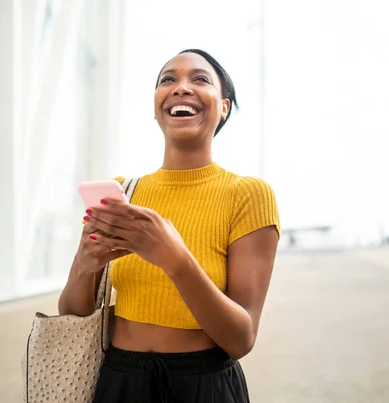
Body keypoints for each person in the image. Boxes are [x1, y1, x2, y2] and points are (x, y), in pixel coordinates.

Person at [58, 49, 280, 403]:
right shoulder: (124, 194)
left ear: (223, 107)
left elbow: (241, 339)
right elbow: (72, 314)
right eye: (168, 80)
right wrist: (85, 265)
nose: (181, 88)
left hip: (202, 386)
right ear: (156, 105)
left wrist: (176, 260)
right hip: (118, 382)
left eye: (200, 79)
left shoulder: (247, 195)